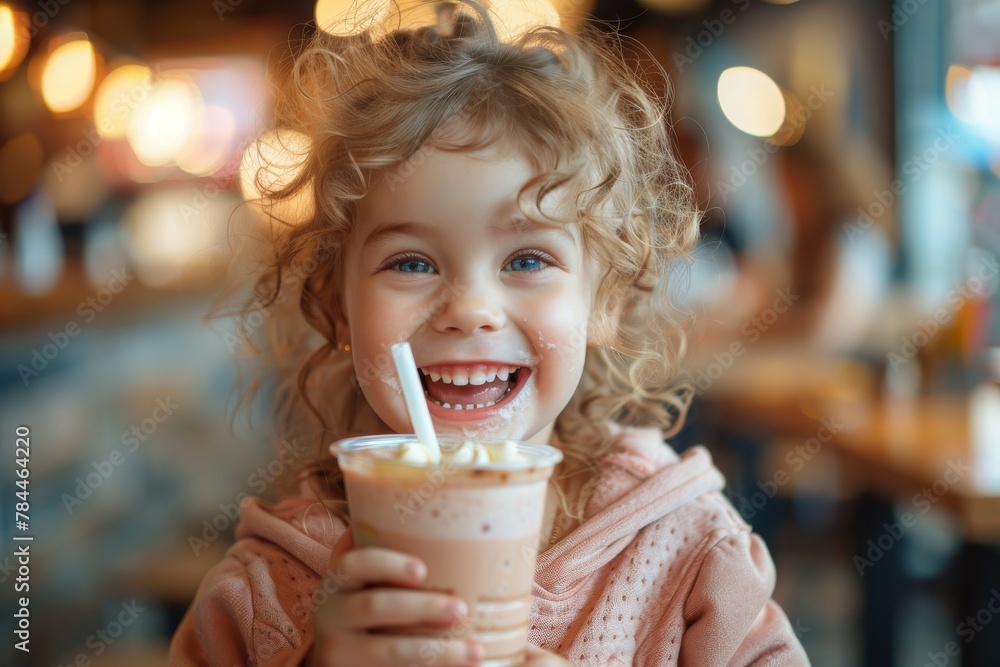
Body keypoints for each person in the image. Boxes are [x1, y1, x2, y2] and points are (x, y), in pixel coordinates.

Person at [169, 2, 810, 665]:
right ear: (337, 307)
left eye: (526, 260)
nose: (470, 308)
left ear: (605, 301)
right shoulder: (265, 590)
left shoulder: (692, 554)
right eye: (412, 262)